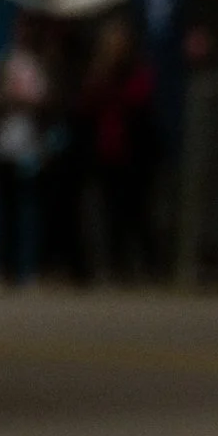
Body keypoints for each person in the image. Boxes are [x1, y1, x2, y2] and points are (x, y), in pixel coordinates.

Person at [80, 17, 160, 280]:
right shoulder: (99, 73)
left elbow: (139, 99)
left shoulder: (138, 73)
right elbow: (87, 103)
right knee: (109, 211)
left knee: (137, 211)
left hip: (134, 153)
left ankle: (149, 265)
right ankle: (116, 265)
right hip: (106, 151)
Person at [0, 12, 55, 284]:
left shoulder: (44, 64)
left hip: (36, 147)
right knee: (6, 211)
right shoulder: (2, 63)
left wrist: (38, 106)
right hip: (4, 147)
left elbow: (56, 100)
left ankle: (39, 267)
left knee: (38, 211)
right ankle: (6, 268)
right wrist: (8, 101)